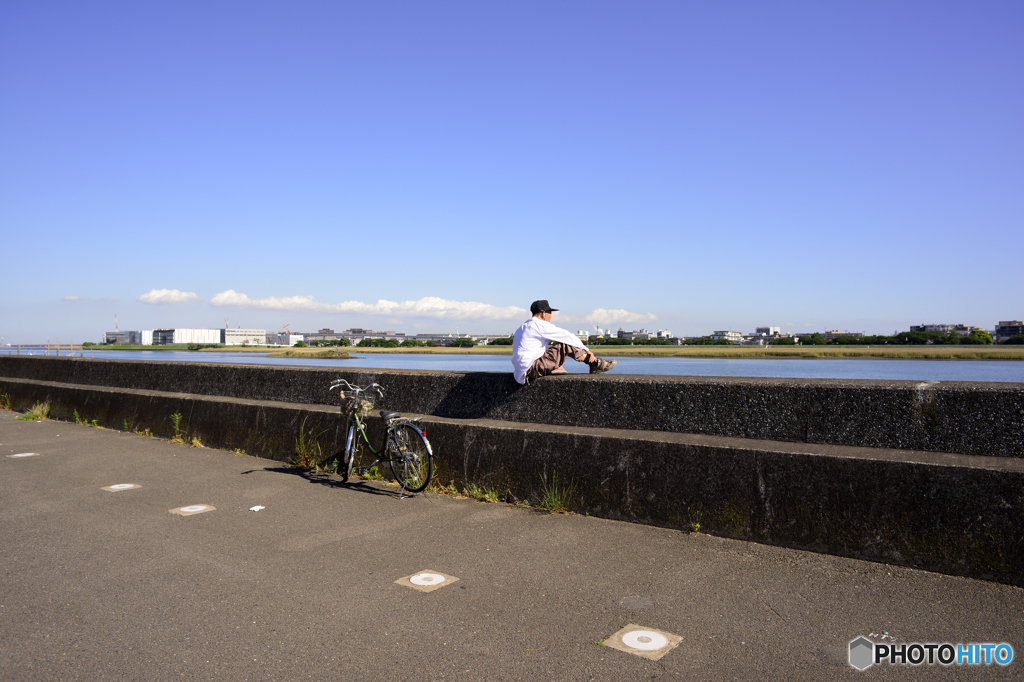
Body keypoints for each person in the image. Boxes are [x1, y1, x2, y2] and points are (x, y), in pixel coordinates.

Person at [512, 300, 616, 384]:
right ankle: (594, 363)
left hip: (522, 371)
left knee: (562, 371)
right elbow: (567, 336)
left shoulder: (522, 327)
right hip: (532, 368)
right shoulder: (539, 325)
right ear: (544, 313)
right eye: (550, 313)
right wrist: (586, 350)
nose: (550, 316)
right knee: (564, 344)